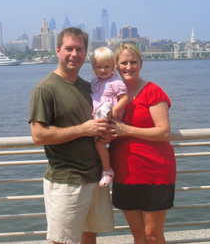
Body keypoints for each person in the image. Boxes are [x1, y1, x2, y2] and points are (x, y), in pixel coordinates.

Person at [28, 27, 114, 244]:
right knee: (62, 241)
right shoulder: (45, 89)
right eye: (69, 49)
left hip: (95, 178)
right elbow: (38, 135)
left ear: (86, 54)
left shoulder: (90, 88)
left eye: (80, 49)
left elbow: (100, 126)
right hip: (67, 181)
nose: (74, 54)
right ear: (57, 51)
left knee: (89, 236)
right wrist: (84, 129)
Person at [108, 41, 176, 244]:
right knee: (138, 236)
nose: (129, 67)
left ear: (141, 63)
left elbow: (164, 132)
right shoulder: (110, 94)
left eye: (133, 62)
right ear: (116, 66)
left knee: (153, 236)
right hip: (124, 172)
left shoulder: (152, 91)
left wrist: (126, 130)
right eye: (124, 63)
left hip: (155, 171)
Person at [89, 47, 129, 187]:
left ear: (114, 67)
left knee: (99, 144)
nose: (103, 70)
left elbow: (125, 98)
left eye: (107, 67)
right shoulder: (94, 81)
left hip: (110, 116)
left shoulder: (116, 83)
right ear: (93, 68)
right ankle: (101, 169)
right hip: (98, 116)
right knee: (95, 143)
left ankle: (107, 171)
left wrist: (115, 110)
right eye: (98, 67)